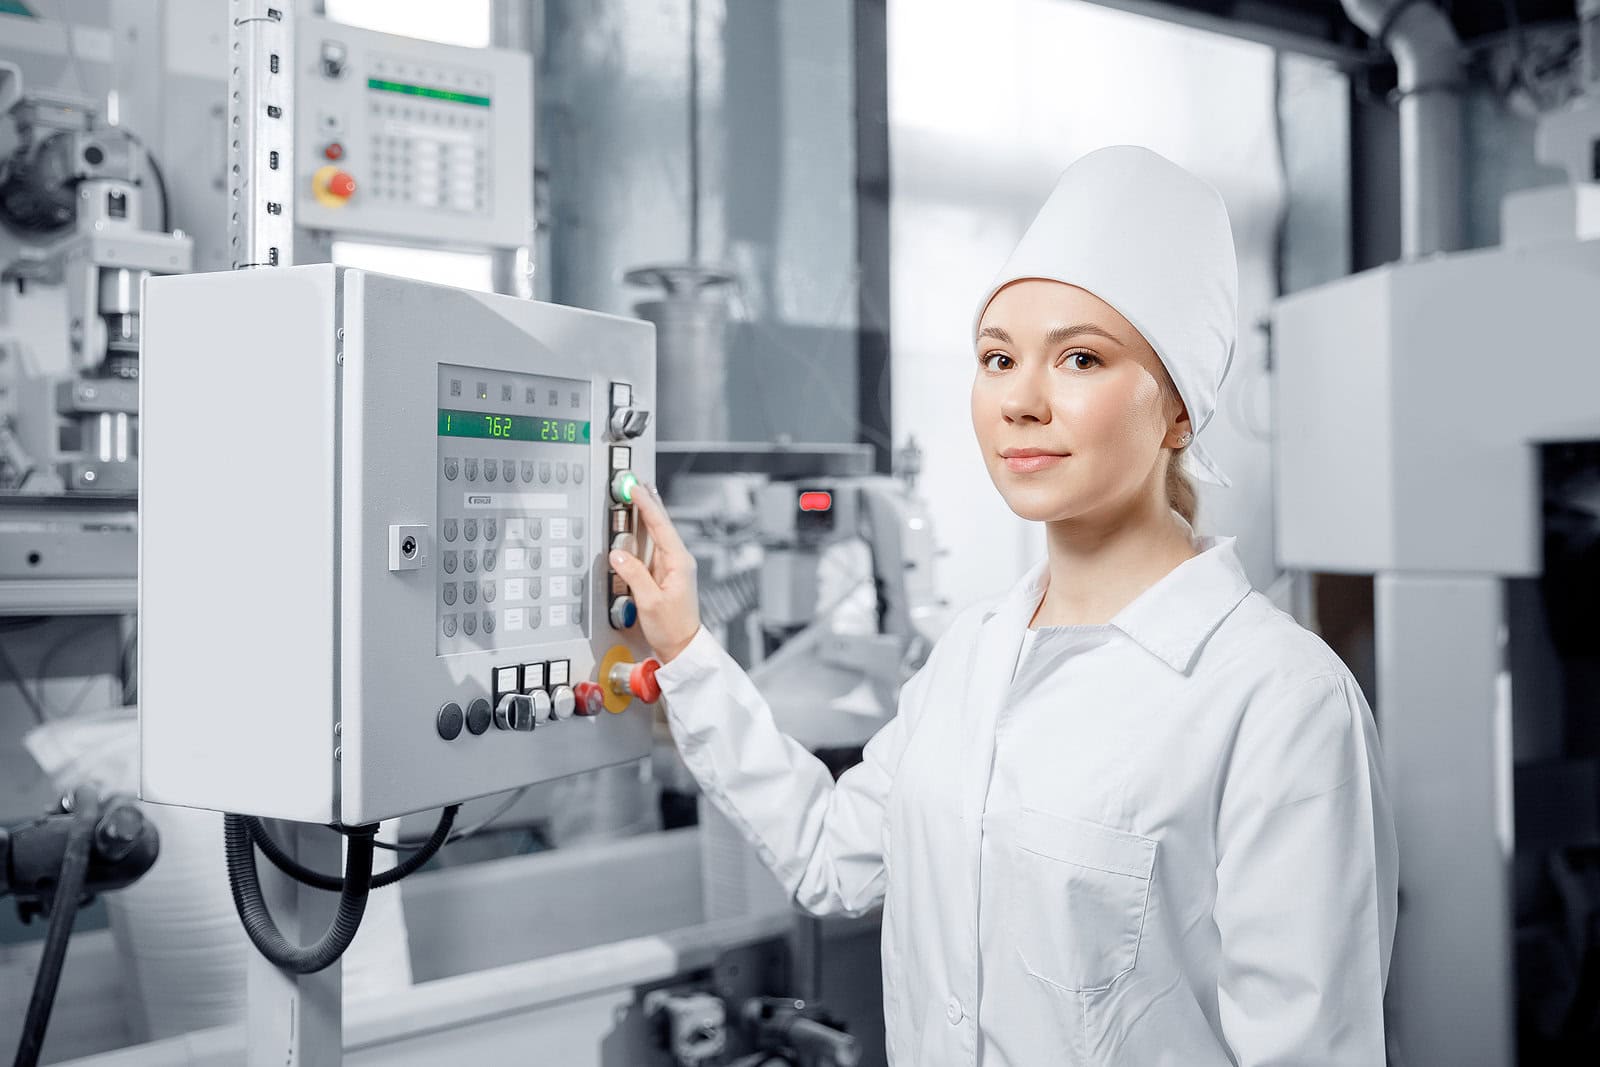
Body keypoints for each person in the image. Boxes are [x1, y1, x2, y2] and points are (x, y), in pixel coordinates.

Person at [609, 145, 1398, 1066]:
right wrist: (690, 648)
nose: (1021, 400)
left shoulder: (1278, 700)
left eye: (1079, 357)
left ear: (1180, 411)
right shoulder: (974, 655)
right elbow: (831, 855)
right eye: (997, 357)